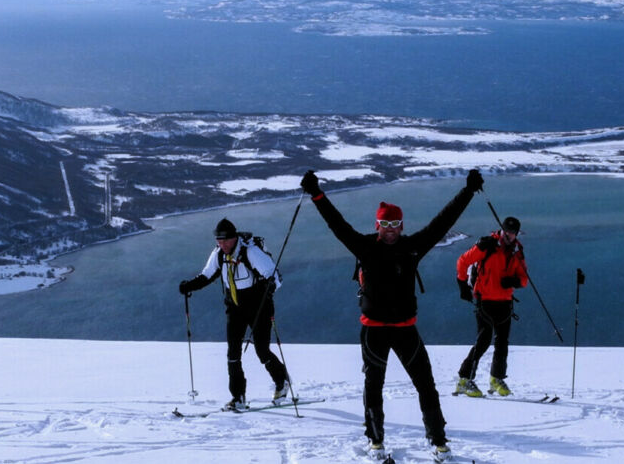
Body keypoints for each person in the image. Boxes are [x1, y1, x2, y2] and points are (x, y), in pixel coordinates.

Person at [301, 168, 482, 460]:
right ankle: (376, 441)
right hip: (374, 330)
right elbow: (337, 224)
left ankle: (438, 440)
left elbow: (442, 222)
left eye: (395, 223)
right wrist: (317, 194)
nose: (390, 229)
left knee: (426, 384)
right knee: (374, 386)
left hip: (405, 329)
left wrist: (468, 191)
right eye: (385, 223)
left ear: (401, 225)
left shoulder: (412, 248)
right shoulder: (364, 247)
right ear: (377, 225)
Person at [178, 218, 290, 411]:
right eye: (218, 242)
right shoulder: (219, 254)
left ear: (234, 238)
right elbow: (207, 275)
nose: (221, 245)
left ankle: (282, 381)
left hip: (258, 307)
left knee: (262, 351)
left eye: (225, 241)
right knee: (233, 355)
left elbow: (275, 276)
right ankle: (238, 397)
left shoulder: (251, 252)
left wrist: (269, 286)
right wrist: (189, 286)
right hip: (234, 307)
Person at [452, 216, 529, 398]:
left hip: (505, 302)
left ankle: (496, 379)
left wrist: (514, 281)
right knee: (484, 340)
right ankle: (464, 379)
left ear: (517, 234)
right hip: (484, 300)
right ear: (501, 230)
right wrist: (462, 284)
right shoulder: (487, 245)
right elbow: (462, 261)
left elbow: (524, 279)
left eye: (512, 233)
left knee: (502, 343)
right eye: (506, 232)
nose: (508, 236)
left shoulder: (517, 251)